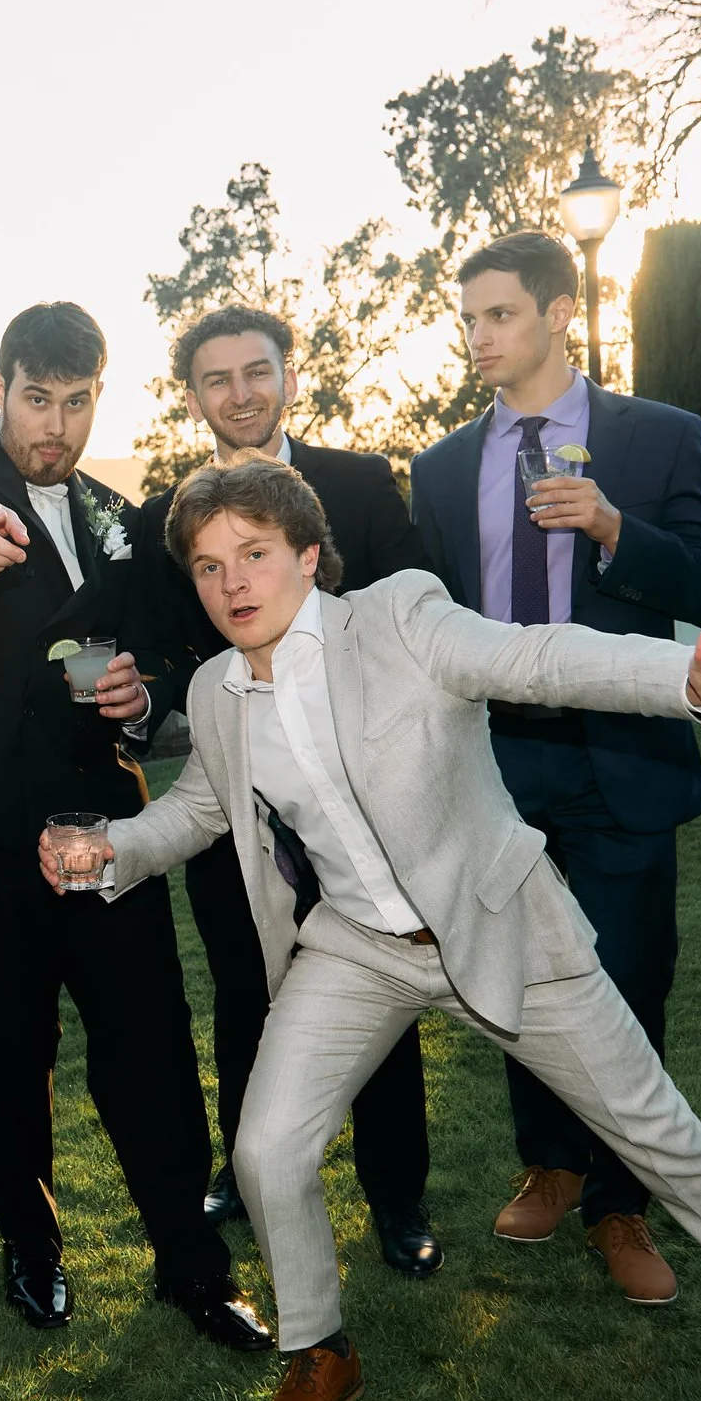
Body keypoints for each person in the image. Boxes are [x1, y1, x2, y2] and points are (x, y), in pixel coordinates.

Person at [44, 457, 701, 1401]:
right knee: (267, 1149)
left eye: (254, 554)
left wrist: (681, 680)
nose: (231, 581)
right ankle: (319, 1347)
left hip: (498, 921)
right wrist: (114, 849)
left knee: (655, 1127)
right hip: (357, 948)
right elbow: (198, 807)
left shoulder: (400, 617)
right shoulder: (217, 691)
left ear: (307, 556)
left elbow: (535, 658)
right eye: (207, 565)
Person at [0, 301, 269, 1350]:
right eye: (36, 398)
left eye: (76, 399)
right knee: (5, 1048)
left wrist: (145, 702)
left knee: (148, 1038)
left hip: (101, 825)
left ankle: (191, 1260)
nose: (54, 422)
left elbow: (176, 651)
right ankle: (32, 1247)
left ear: (100, 394)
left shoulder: (119, 514)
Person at [410, 231, 701, 1306]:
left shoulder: (657, 437)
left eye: (497, 315)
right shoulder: (443, 465)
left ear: (559, 314)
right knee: (513, 973)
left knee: (629, 976)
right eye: (467, 319)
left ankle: (620, 1200)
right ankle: (549, 1159)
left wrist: (611, 527)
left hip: (620, 762)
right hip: (498, 763)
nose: (478, 336)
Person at [125, 304, 439, 1274]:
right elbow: (160, 651)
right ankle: (244, 1165)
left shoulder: (357, 481)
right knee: (241, 989)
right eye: (215, 379)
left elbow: (419, 613)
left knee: (383, 982)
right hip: (231, 798)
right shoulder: (161, 519)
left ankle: (398, 1197)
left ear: (289, 375)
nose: (239, 393)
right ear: (192, 396)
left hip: (362, 799)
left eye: (255, 370)